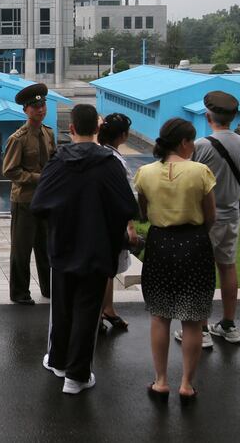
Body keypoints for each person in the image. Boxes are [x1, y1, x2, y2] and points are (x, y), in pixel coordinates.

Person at [31, 104, 137, 394]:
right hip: (98, 246)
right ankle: (76, 376)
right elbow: (128, 206)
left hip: (63, 245)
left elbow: (39, 204)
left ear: (71, 129)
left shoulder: (58, 161)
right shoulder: (110, 163)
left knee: (62, 308)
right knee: (87, 311)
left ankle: (58, 361)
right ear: (98, 129)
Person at [134, 118, 216, 403]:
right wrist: (195, 233)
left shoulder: (144, 173)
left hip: (160, 244)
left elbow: (143, 213)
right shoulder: (200, 172)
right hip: (194, 243)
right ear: (183, 142)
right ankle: (187, 385)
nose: (193, 146)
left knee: (160, 315)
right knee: (193, 319)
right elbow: (211, 216)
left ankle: (160, 381)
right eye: (192, 141)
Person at [176, 92, 240, 347]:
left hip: (204, 218)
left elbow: (188, 177)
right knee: (228, 267)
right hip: (231, 214)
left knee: (200, 271)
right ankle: (229, 325)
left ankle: (201, 328)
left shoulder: (201, 145)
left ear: (207, 116)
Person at [2, 83, 56, 305]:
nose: (40, 109)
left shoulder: (48, 133)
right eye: (35, 107)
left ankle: (49, 288)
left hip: (46, 201)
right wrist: (38, 178)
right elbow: (10, 170)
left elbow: (53, 161)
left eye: (43, 104)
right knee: (21, 251)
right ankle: (20, 293)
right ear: (25, 110)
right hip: (24, 200)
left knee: (46, 250)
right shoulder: (19, 138)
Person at [96, 113, 140, 333]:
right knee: (106, 269)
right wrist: (130, 227)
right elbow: (126, 196)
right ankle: (103, 312)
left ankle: (108, 309)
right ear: (123, 136)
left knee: (107, 270)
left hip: (95, 220)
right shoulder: (115, 161)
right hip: (110, 223)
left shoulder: (97, 153)